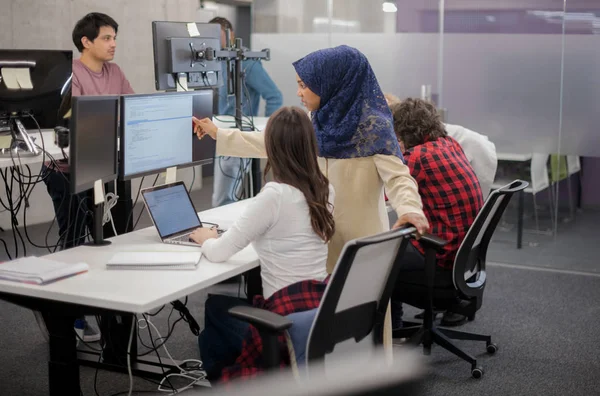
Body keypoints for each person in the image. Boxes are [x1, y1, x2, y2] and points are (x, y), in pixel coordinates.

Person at [193, 45, 429, 346]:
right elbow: (273, 142)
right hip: (320, 238)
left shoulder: (375, 129)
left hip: (360, 243)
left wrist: (411, 210)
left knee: (359, 326)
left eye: (305, 86)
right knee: (322, 330)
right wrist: (219, 134)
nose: (300, 93)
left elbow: (399, 178)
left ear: (333, 83)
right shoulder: (316, 120)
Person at [193, 106, 334, 380]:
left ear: (272, 147)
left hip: (284, 323)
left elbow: (220, 252)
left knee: (215, 307)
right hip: (318, 311)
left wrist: (207, 239)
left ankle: (237, 382)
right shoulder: (325, 187)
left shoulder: (274, 196)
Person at [41, 12, 134, 343]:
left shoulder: (115, 72)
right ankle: (70, 313)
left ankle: (105, 303)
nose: (113, 44)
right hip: (66, 170)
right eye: (107, 38)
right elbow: (77, 122)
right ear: (86, 41)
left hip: (104, 164)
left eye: (114, 38)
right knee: (73, 240)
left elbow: (130, 110)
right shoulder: (71, 75)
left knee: (109, 235)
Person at [388, 98, 484, 328]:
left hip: (441, 257)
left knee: (378, 263)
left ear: (402, 132)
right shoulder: (450, 143)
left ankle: (393, 333)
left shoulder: (417, 157)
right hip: (462, 258)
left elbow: (384, 195)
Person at [209, 17, 283, 208]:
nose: (212, 41)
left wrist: (266, 132)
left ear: (230, 34)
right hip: (220, 133)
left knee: (222, 200)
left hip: (238, 135)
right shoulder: (214, 62)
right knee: (223, 197)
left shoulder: (247, 64)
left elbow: (274, 96)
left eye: (216, 36)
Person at [384, 93, 497, 197]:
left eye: (397, 137)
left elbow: (387, 195)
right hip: (471, 218)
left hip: (447, 219)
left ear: (405, 131)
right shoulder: (450, 142)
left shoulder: (417, 157)